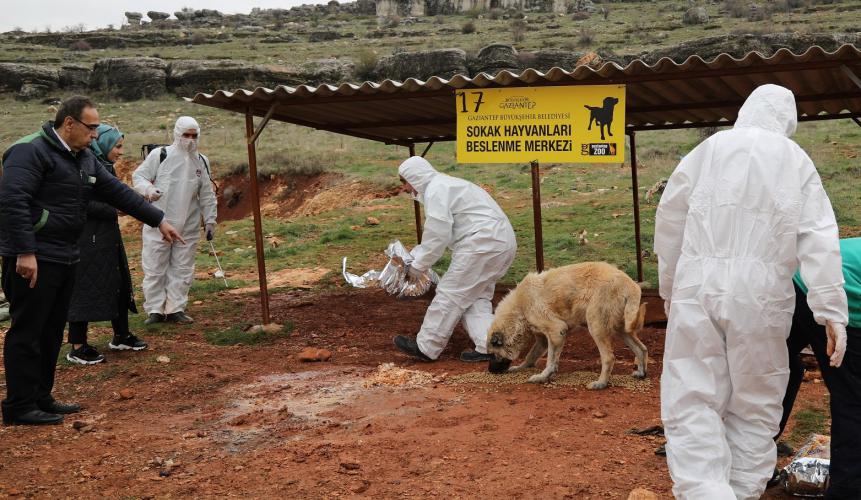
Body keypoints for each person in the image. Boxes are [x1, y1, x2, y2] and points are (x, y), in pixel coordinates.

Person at [654, 84, 848, 499]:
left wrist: (669, 286)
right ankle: (741, 490)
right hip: (762, 294)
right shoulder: (794, 159)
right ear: (787, 120)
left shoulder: (707, 151)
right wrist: (831, 310)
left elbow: (669, 221)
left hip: (697, 284)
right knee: (756, 399)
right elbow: (818, 236)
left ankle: (706, 491)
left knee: (691, 395)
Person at [0, 96, 183, 426]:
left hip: (66, 255)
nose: (97, 135)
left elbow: (116, 191)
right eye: (92, 127)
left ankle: (41, 397)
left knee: (53, 331)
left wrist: (158, 220)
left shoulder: (82, 157)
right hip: (35, 258)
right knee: (28, 331)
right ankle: (18, 405)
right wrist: (25, 251)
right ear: (69, 124)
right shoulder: (30, 151)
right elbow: (13, 201)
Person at [392, 156, 517, 363]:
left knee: (450, 295)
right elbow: (446, 232)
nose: (405, 187)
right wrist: (418, 255)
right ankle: (494, 347)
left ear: (414, 177)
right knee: (475, 298)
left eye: (404, 181)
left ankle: (426, 347)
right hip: (499, 244)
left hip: (482, 244)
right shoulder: (448, 185)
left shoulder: (436, 189)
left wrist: (418, 266)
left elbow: (437, 233)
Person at [775, 237, 861, 499]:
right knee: (854, 397)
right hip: (837, 291)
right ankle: (848, 491)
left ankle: (749, 461)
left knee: (779, 367)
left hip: (799, 276)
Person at [66, 124, 148, 365]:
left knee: (118, 282)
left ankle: (121, 335)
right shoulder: (83, 165)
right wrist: (114, 208)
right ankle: (78, 346)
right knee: (85, 286)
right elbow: (80, 202)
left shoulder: (104, 166)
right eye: (117, 146)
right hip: (87, 238)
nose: (120, 151)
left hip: (107, 236)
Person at [133, 116, 217, 325]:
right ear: (177, 134)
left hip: (188, 223)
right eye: (186, 135)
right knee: (155, 266)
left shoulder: (202, 161)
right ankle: (155, 309)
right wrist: (149, 190)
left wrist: (210, 220)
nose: (190, 140)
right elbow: (139, 177)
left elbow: (206, 193)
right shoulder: (160, 155)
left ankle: (175, 308)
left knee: (182, 267)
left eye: (194, 135)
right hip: (158, 222)